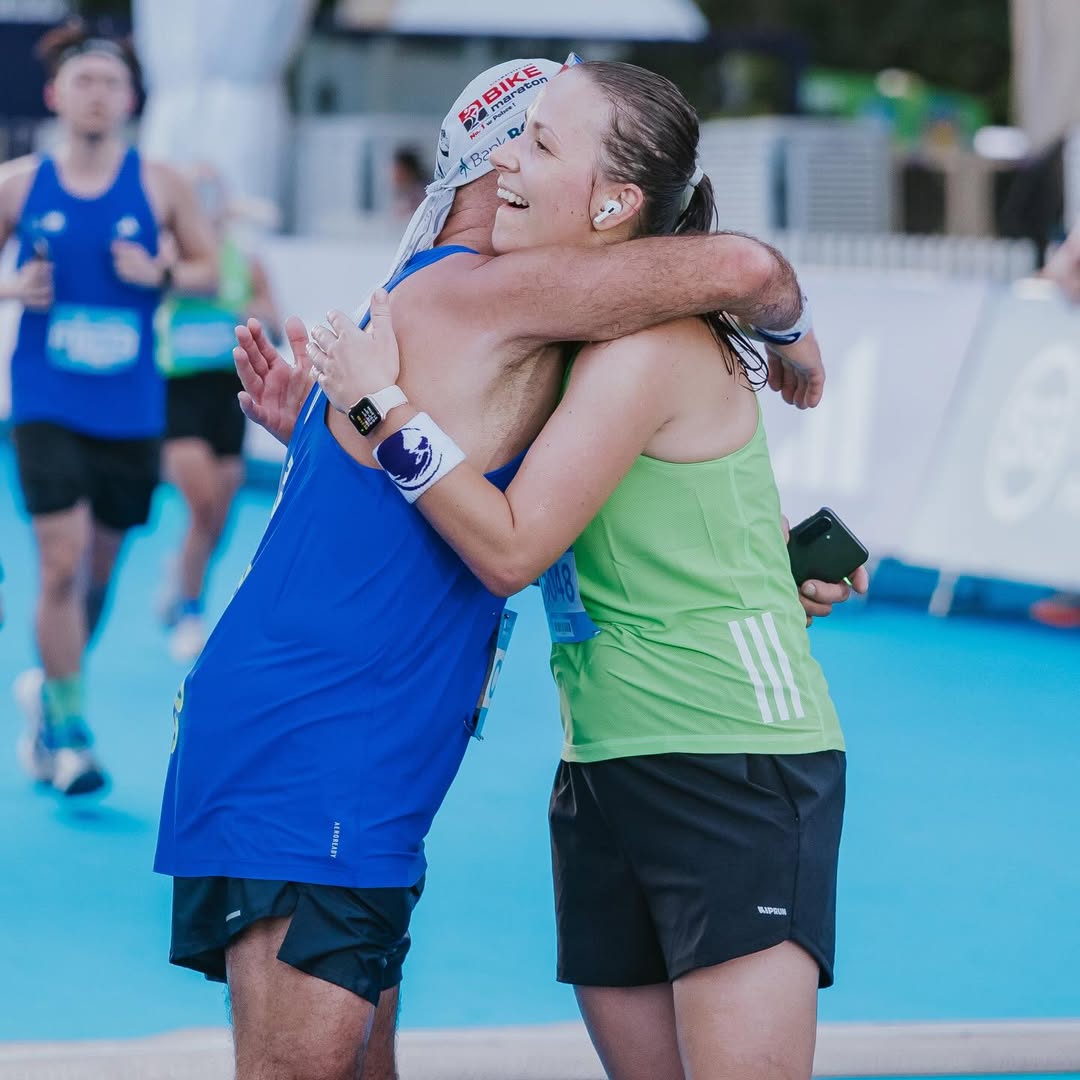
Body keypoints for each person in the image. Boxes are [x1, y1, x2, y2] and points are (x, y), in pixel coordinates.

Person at [156, 56, 833, 1080]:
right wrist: (797, 342)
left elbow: (622, 480)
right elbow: (745, 270)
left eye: (542, 144)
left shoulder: (494, 316)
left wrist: (327, 420)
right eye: (516, 140)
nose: (517, 161)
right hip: (322, 742)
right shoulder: (497, 297)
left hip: (363, 751)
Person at [0, 23, 217, 796]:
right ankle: (70, 732)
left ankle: (49, 690)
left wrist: (161, 266)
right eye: (82, 81)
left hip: (129, 409)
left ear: (131, 99)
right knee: (57, 562)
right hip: (45, 400)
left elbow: (207, 270)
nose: (96, 94)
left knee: (95, 575)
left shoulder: (160, 185)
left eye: (110, 83)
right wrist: (9, 287)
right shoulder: (22, 184)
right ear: (58, 95)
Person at [156, 163, 282, 662]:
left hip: (229, 394)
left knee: (220, 516)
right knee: (202, 503)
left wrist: (247, 307)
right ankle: (190, 609)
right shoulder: (170, 254)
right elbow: (157, 291)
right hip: (179, 392)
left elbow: (270, 315)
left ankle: (182, 575)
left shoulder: (244, 262)